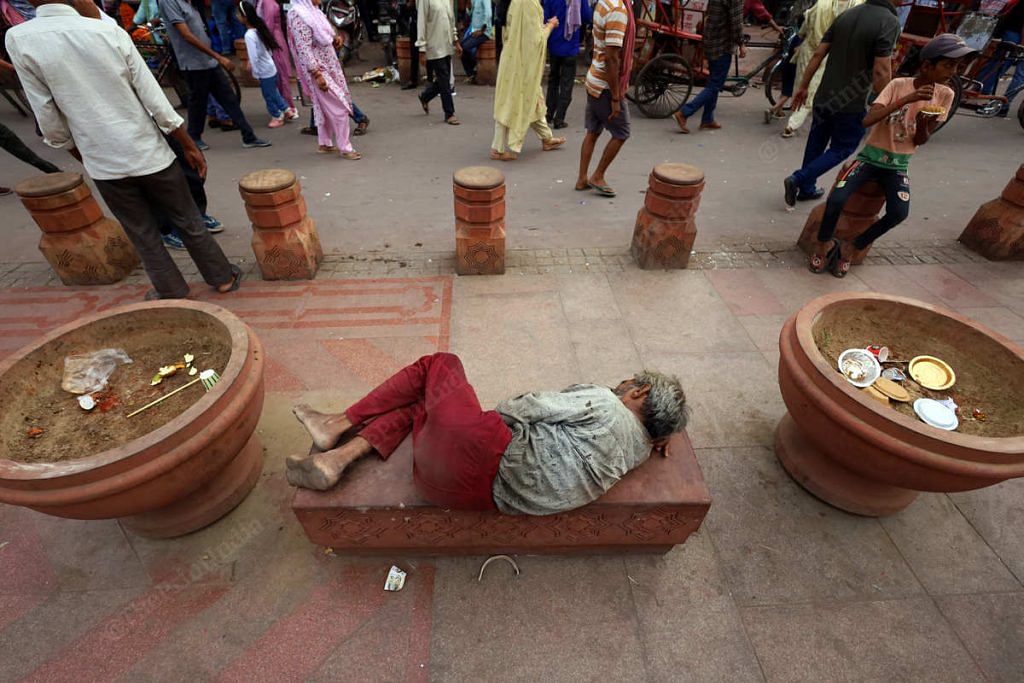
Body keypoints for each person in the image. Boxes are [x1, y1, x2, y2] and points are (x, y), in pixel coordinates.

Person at [7, 0, 241, 300]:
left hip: (103, 160)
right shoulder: (105, 30)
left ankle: (172, 290)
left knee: (142, 231)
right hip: (149, 150)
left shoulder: (19, 38)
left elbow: (47, 114)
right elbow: (153, 96)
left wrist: (77, 151)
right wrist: (187, 143)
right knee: (187, 217)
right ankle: (221, 277)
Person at [285, 353, 689, 516]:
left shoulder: (605, 404)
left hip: (477, 453)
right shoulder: (641, 451)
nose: (616, 386)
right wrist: (659, 437)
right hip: (461, 493)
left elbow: (524, 406)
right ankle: (335, 459)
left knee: (439, 366)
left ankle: (337, 423)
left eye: (625, 383)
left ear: (639, 392)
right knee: (429, 403)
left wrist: (479, 421)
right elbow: (650, 437)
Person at [807, 34, 965, 277]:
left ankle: (852, 246)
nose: (952, 72)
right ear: (926, 66)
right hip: (869, 157)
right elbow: (868, 120)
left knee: (899, 213)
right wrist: (908, 99)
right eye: (947, 65)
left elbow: (921, 139)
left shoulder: (945, 95)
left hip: (898, 164)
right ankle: (823, 243)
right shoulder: (897, 85)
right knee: (837, 199)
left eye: (955, 67)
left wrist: (924, 123)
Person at [782, 0, 900, 207]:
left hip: (824, 94)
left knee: (816, 143)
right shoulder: (888, 22)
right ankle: (799, 179)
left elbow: (818, 54)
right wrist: (889, 104)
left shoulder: (847, 15)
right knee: (844, 146)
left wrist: (803, 86)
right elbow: (881, 70)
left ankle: (806, 188)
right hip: (852, 101)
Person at [158, 0, 272, 150]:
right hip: (193, 63)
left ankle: (248, 136)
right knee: (198, 102)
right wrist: (218, 56)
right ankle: (194, 138)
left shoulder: (189, 3)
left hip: (208, 61)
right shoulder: (169, 2)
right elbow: (186, 34)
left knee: (228, 98)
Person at [490, 0, 566, 160]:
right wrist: (550, 25)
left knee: (530, 99)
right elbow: (535, 41)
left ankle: (546, 138)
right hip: (521, 64)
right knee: (514, 102)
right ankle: (502, 147)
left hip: (512, 59)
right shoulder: (527, 3)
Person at [574, 0, 635, 197]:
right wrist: (616, 98)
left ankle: (582, 178)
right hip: (605, 85)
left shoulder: (604, 3)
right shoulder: (618, 10)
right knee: (621, 132)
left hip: (594, 79)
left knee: (593, 131)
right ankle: (597, 176)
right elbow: (611, 58)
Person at [288, 0, 361, 158]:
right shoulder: (299, 15)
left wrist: (335, 40)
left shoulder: (314, 11)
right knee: (339, 106)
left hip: (329, 66)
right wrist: (317, 74)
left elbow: (324, 35)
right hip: (319, 70)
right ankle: (346, 148)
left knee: (323, 106)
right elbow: (304, 48)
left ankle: (325, 143)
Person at [779, 0, 862, 138]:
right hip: (832, 53)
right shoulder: (857, 6)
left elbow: (805, 27)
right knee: (812, 89)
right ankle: (793, 123)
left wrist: (802, 36)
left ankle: (793, 121)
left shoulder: (821, 4)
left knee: (802, 85)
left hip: (810, 50)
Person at [671, 0, 744, 133]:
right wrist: (742, 44)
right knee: (715, 84)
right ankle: (684, 113)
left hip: (711, 42)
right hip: (723, 45)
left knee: (713, 82)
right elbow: (736, 22)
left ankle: (707, 119)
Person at [239, 1, 297, 128]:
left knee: (268, 95)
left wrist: (255, 72)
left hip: (264, 70)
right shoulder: (259, 30)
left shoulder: (249, 35)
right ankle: (286, 109)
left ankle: (277, 116)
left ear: (244, 17)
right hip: (270, 67)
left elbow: (254, 57)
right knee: (273, 91)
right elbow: (268, 49)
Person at [544, 0, 592, 129]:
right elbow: (587, 16)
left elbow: (545, 18)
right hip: (571, 46)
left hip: (554, 44)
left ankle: (548, 115)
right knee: (566, 83)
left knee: (553, 80)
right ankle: (559, 118)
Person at [416, 0, 460, 124]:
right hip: (434, 46)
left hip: (446, 44)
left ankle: (425, 96)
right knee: (444, 78)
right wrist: (422, 48)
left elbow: (451, 20)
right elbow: (421, 23)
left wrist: (456, 40)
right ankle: (449, 113)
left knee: (443, 79)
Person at [256, 0, 294, 107]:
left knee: (280, 75)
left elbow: (269, 25)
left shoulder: (267, 2)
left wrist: (264, 42)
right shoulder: (263, 2)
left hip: (274, 41)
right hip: (273, 39)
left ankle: (287, 106)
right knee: (278, 75)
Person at [461, 0, 492, 82]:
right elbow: (470, 14)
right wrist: (469, 6)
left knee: (465, 46)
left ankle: (474, 68)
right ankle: (471, 74)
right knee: (461, 47)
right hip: (474, 31)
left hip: (483, 32)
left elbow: (488, 14)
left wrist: (482, 30)